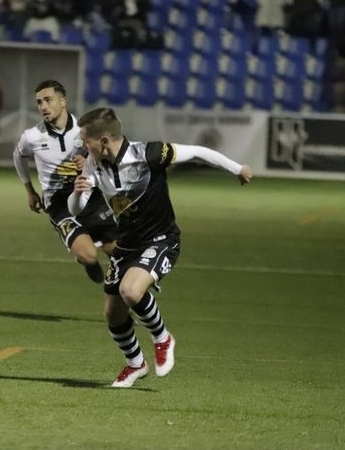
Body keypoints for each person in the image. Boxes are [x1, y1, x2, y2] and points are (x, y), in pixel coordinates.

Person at [68, 107, 252, 388]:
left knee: (130, 290)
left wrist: (237, 169)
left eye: (85, 139)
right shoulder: (94, 164)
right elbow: (77, 209)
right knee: (113, 313)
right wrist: (78, 192)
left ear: (104, 140)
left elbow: (199, 152)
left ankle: (162, 336)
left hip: (160, 239)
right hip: (126, 244)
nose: (83, 145)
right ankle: (135, 365)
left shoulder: (150, 154)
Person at [13, 80, 119, 284]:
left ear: (63, 102)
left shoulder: (85, 130)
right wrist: (30, 190)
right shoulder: (32, 137)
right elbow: (18, 156)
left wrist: (90, 160)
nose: (43, 106)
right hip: (59, 205)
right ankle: (90, 263)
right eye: (39, 102)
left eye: (48, 100)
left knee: (120, 254)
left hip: (90, 197)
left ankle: (123, 298)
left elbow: (109, 157)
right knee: (88, 255)